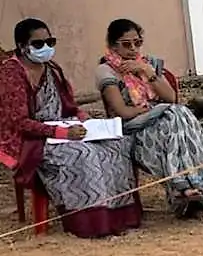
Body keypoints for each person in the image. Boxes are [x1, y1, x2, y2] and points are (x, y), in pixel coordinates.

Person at [0, 19, 142, 237]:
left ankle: (120, 218)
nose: (45, 47)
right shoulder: (11, 73)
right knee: (83, 154)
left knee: (115, 146)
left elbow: (68, 105)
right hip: (31, 139)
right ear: (22, 46)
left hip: (65, 129)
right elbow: (19, 122)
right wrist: (62, 133)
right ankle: (92, 223)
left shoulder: (52, 69)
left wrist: (83, 118)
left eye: (50, 41)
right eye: (38, 44)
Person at [96, 19, 203, 220]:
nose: (133, 48)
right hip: (136, 130)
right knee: (177, 116)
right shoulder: (107, 71)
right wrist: (150, 110)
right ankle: (191, 185)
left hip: (164, 123)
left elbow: (170, 98)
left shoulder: (148, 64)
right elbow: (122, 112)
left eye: (137, 42)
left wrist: (147, 72)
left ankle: (189, 189)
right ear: (112, 45)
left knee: (177, 116)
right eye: (126, 44)